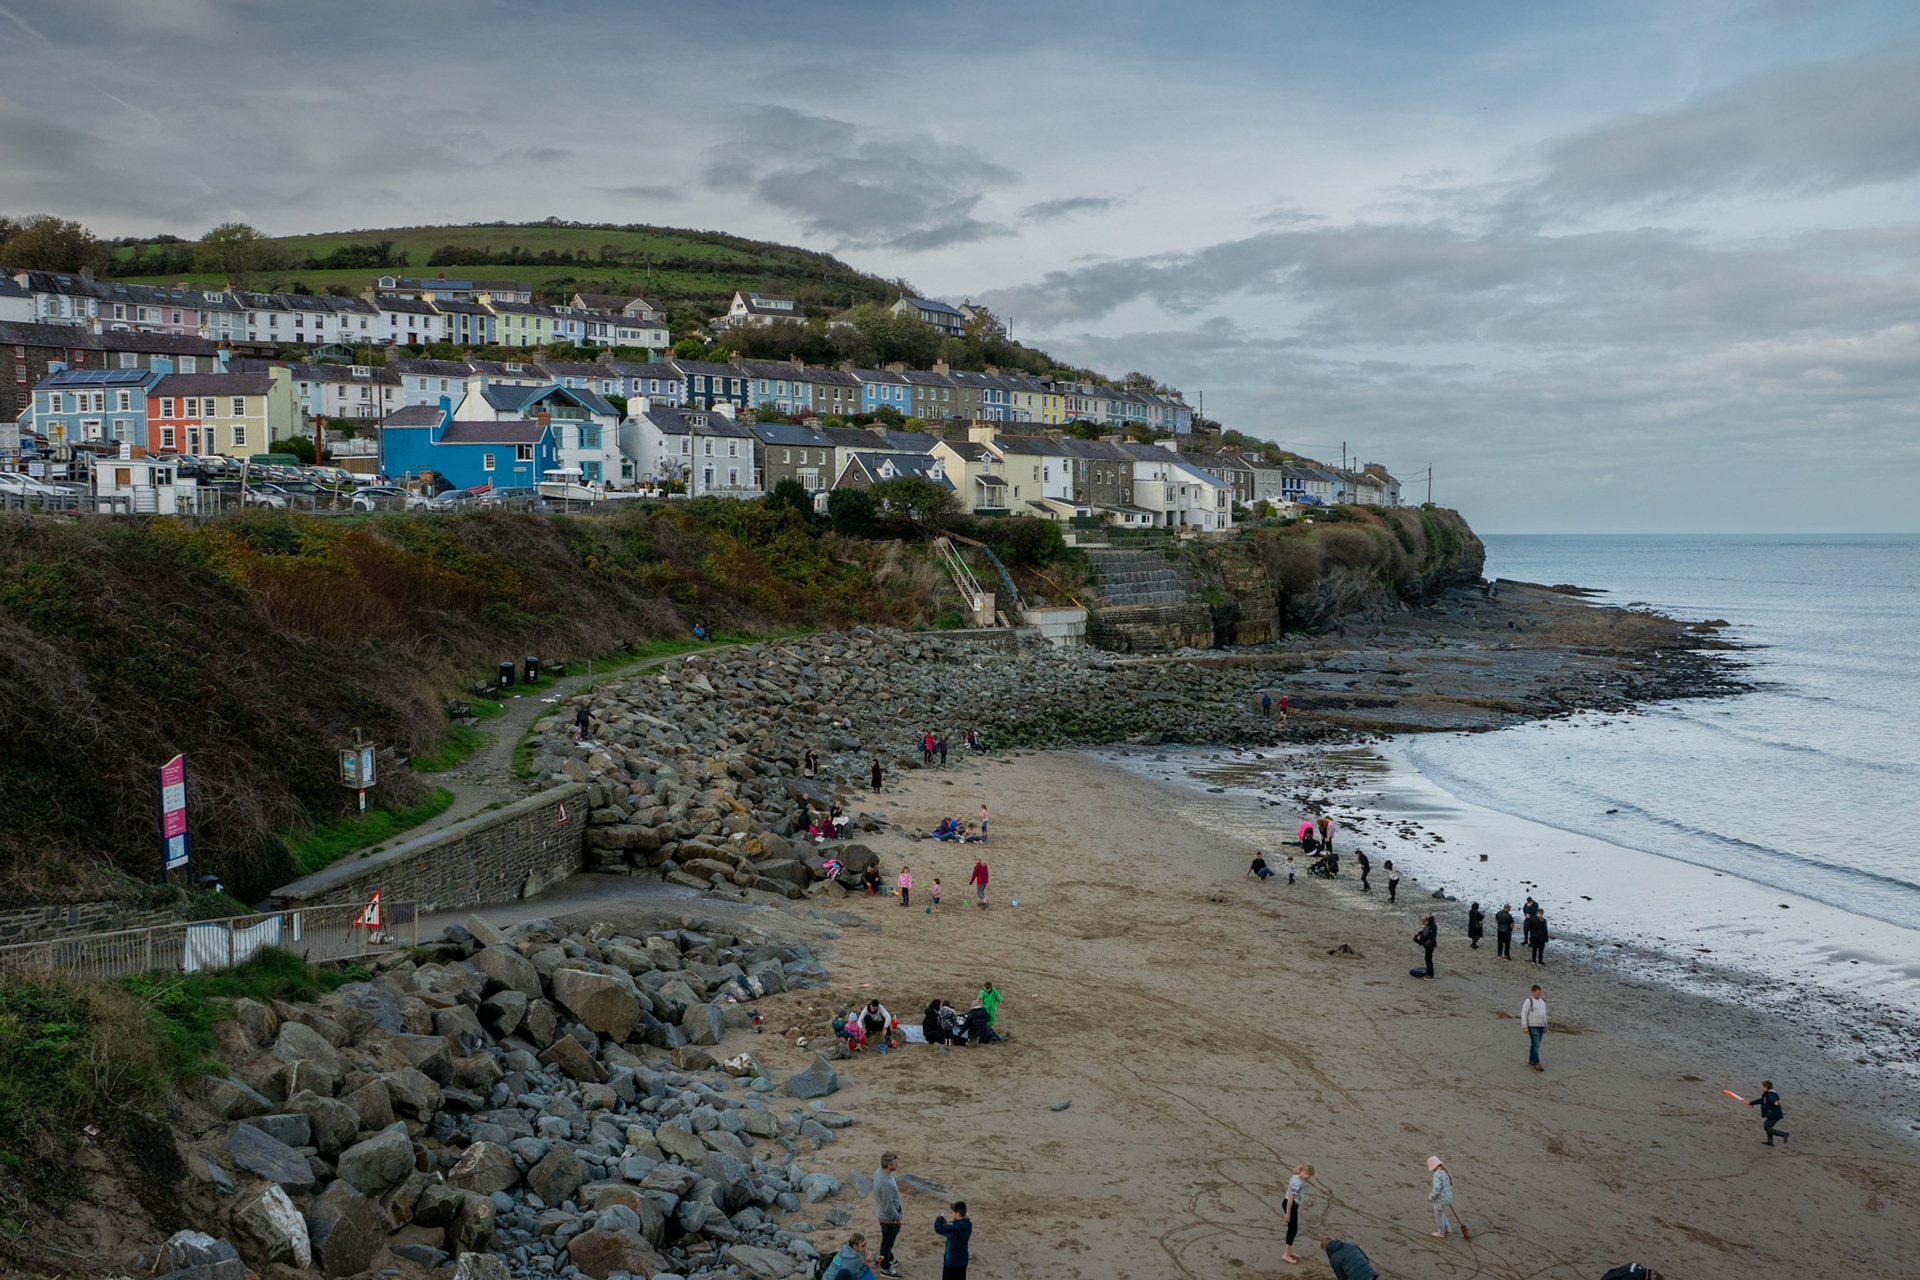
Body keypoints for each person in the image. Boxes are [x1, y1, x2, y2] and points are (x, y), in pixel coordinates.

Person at [873, 1153, 904, 1277]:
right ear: (888, 1165)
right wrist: (897, 1217)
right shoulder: (885, 1183)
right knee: (887, 1243)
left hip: (886, 1216)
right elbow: (888, 1206)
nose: (897, 1165)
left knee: (887, 1242)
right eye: (895, 1163)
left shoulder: (880, 1172)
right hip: (889, 1220)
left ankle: (889, 1258)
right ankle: (885, 1268)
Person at [1281, 1165, 1313, 1264]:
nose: (1309, 1178)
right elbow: (1291, 1198)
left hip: (1290, 1204)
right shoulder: (1297, 1183)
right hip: (1290, 1205)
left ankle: (1289, 1250)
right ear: (1305, 1173)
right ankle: (1286, 1254)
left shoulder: (1295, 1176)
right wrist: (1288, 1213)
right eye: (1309, 1176)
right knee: (1293, 1229)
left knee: (1293, 1228)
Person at [933, 1201, 972, 1280]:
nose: (952, 1214)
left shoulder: (955, 1228)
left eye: (954, 1212)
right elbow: (956, 1229)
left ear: (958, 1213)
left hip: (952, 1262)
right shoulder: (968, 1225)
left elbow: (938, 1229)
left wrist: (940, 1218)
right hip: (962, 1260)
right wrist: (949, 1225)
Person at [1749, 1080, 1789, 1145]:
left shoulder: (1769, 1094)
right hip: (1772, 1114)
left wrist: (1774, 1101)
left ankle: (1784, 1134)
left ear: (1766, 1087)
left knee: (1767, 1127)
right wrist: (1751, 1103)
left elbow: (1772, 1099)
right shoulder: (1766, 1094)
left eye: (1762, 1086)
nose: (1761, 1088)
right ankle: (1770, 1141)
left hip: (1775, 1114)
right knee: (1766, 1126)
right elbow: (1761, 1100)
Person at [1426, 1155, 1454, 1237]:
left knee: (1439, 1216)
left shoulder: (1437, 1175)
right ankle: (1448, 1228)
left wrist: (1431, 1197)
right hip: (1448, 1197)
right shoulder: (1446, 1172)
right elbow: (1451, 1184)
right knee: (1442, 1213)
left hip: (1440, 1199)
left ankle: (1441, 1232)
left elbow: (1437, 1189)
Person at [1521, 984, 1548, 1071]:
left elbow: (1544, 1014)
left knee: (1536, 1043)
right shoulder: (1528, 1001)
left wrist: (1546, 1025)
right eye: (1537, 993)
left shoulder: (1542, 1001)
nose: (1538, 994)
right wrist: (1524, 1026)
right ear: (1532, 992)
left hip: (1541, 1025)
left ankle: (1531, 1059)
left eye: (1539, 993)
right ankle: (1537, 1062)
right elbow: (1524, 1013)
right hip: (1532, 1026)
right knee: (1536, 1043)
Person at [1415, 914, 1437, 979]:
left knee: (1428, 959)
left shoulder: (1432, 926)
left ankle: (1430, 975)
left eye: (1423, 922)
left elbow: (1430, 936)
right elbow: (1424, 931)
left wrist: (1421, 937)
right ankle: (1429, 972)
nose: (1423, 924)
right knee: (1427, 959)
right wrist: (1419, 933)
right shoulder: (1429, 925)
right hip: (1427, 944)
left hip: (1430, 945)